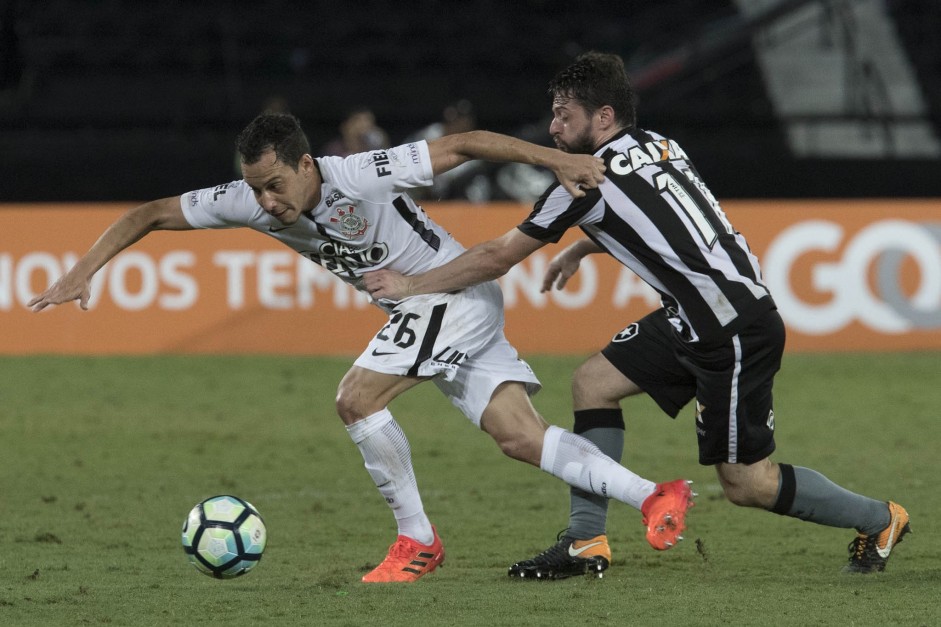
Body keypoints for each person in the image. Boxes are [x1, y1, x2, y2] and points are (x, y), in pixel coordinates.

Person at [29, 111, 695, 583]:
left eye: (275, 184)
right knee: (519, 436)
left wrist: (556, 160)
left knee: (356, 398)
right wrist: (86, 268)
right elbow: (148, 213)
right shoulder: (247, 201)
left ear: (306, 165)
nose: (265, 201)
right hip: (438, 307)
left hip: (448, 293)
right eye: (254, 186)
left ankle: (417, 540)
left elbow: (463, 144)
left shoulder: (362, 173)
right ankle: (654, 496)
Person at [363, 51, 911, 578]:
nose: (553, 128)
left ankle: (879, 520)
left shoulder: (584, 179)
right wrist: (585, 246)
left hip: (732, 332)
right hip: (698, 316)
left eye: (564, 115)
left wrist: (412, 283)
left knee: (747, 483)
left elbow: (498, 256)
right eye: (554, 113)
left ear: (603, 117)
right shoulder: (659, 145)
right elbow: (671, 223)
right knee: (592, 383)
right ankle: (585, 541)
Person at [320, 107, 389, 157]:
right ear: (345, 126)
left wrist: (383, 144)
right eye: (358, 121)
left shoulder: (374, 148)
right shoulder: (333, 150)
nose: (364, 126)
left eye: (368, 122)